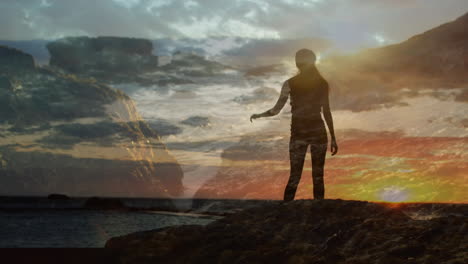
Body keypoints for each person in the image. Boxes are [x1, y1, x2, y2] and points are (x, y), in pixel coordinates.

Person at [250, 49, 338, 201]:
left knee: (295, 176)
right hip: (318, 132)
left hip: (298, 133)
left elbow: (276, 110)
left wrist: (260, 115)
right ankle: (318, 212)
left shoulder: (289, 83)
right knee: (318, 176)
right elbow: (327, 112)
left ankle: (286, 211)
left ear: (297, 63)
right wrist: (333, 138)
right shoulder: (322, 84)